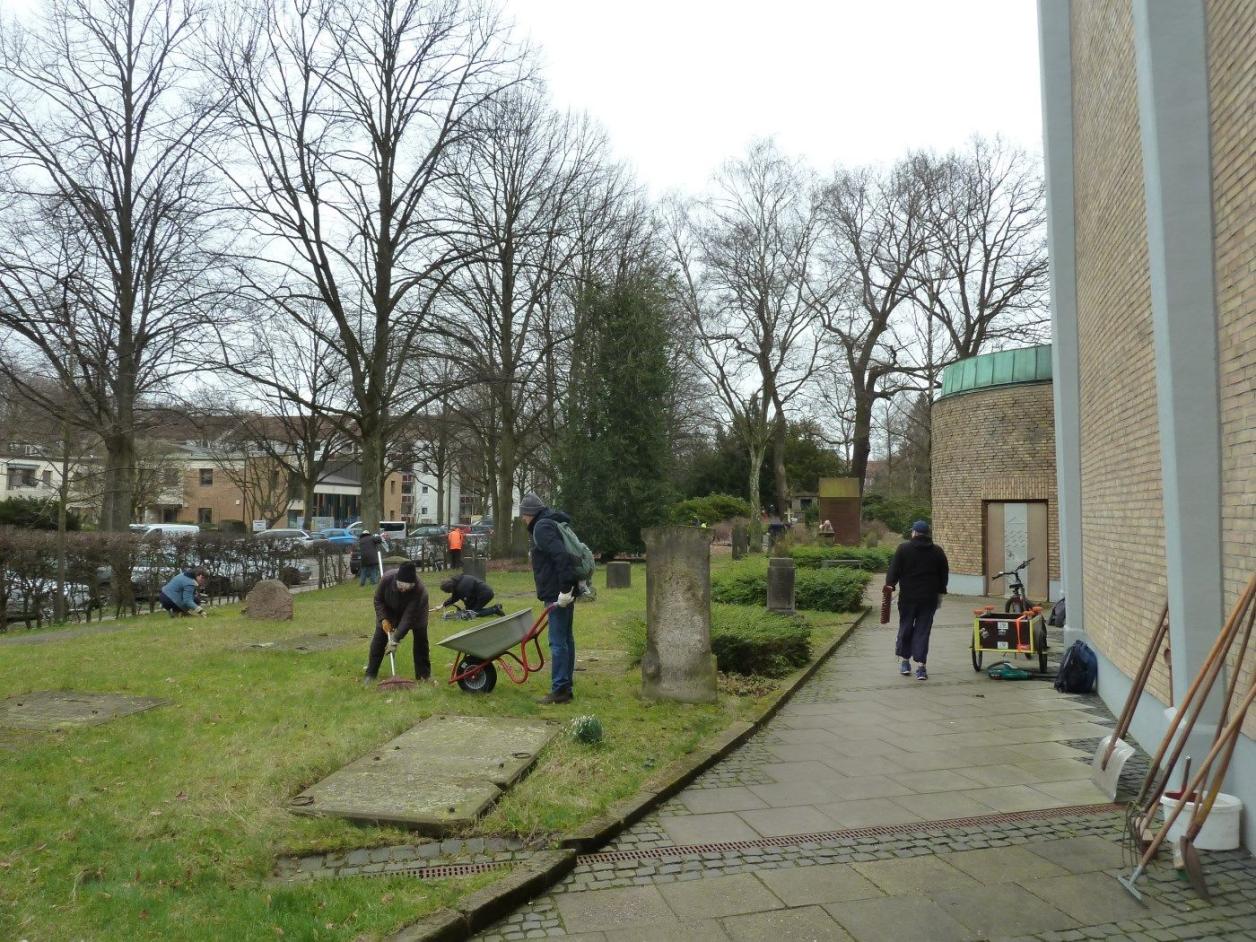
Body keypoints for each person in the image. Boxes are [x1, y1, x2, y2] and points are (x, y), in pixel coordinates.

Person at [519, 492, 577, 704]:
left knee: (557, 641)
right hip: (562, 590)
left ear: (529, 513)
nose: (523, 520)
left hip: (557, 592)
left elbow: (561, 556)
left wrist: (564, 589)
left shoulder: (542, 528)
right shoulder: (550, 523)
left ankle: (560, 688)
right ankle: (565, 686)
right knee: (566, 639)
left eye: (523, 515)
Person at [884, 520, 949, 681]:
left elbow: (894, 570)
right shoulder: (937, 551)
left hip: (908, 598)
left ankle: (905, 662)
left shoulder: (903, 549)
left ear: (913, 533)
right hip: (929, 598)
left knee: (906, 626)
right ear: (927, 534)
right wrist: (941, 591)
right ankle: (921, 667)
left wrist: (890, 585)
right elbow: (944, 574)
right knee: (923, 630)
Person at [363, 561, 430, 685]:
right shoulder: (386, 579)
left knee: (421, 642)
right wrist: (383, 619)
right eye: (400, 586)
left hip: (418, 613)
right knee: (378, 641)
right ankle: (370, 674)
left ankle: (423, 675)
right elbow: (378, 599)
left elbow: (408, 617)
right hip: (389, 610)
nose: (403, 590)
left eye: (407, 587)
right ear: (396, 581)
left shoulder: (419, 589)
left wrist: (395, 639)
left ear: (413, 585)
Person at [438, 574, 504, 618]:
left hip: (485, 595)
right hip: (485, 592)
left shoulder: (461, 588)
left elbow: (468, 601)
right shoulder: (459, 580)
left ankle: (495, 610)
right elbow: (455, 597)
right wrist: (443, 604)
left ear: (450, 589)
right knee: (473, 610)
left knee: (472, 613)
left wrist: (467, 610)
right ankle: (496, 607)